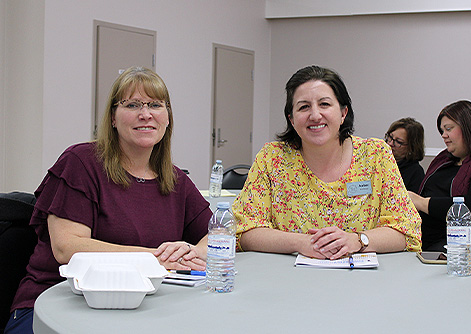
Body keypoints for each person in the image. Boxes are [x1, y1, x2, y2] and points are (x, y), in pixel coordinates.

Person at [5, 67, 211, 334]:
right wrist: (156, 258)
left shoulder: (174, 180)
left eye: (155, 105)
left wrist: (192, 253)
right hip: (55, 307)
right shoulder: (80, 163)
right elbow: (68, 247)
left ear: (168, 117)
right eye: (133, 104)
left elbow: (219, 234)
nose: (145, 114)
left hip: (139, 312)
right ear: (113, 117)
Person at [232, 65, 421, 261]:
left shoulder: (376, 156)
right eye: (304, 107)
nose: (315, 115)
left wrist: (358, 240)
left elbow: (407, 231)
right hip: (288, 280)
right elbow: (244, 232)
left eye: (324, 104)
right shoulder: (272, 159)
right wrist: (302, 243)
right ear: (292, 119)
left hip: (363, 282)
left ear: (343, 113)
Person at [409, 100, 471, 251]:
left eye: (449, 128)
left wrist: (422, 203)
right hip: (423, 238)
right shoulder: (443, 159)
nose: (444, 135)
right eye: (442, 131)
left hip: (460, 245)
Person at [384, 117, 425, 193]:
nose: (390, 143)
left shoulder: (415, 173)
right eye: (390, 137)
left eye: (398, 142)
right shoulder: (379, 161)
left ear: (411, 147)